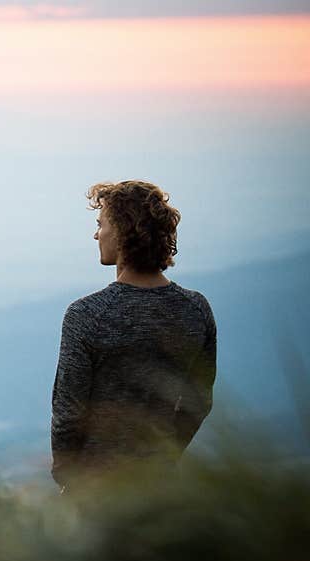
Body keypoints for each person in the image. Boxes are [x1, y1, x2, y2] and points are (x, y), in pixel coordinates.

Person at [50, 180, 216, 494]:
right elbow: (198, 402)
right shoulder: (196, 309)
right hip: (160, 488)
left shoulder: (87, 314)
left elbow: (69, 414)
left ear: (125, 232)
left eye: (101, 225)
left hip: (93, 489)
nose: (96, 234)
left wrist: (68, 478)